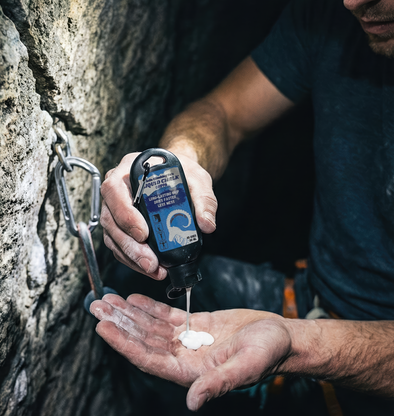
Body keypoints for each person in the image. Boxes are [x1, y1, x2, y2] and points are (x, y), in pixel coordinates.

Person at [92, 0, 394, 413]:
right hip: (313, 298)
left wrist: (299, 345)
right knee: (132, 293)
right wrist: (182, 163)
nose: (354, 2)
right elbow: (224, 112)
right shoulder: (331, 19)